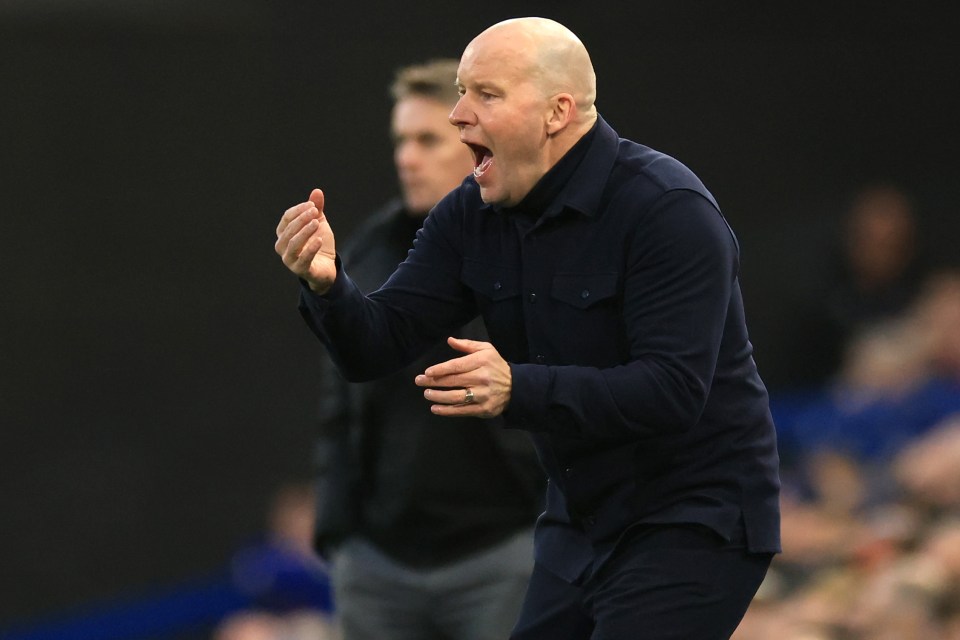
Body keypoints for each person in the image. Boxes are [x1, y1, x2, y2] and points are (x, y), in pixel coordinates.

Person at [276, 17, 781, 640]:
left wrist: (519, 386)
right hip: (579, 521)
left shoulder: (667, 210)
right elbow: (377, 345)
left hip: (694, 518)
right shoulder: (471, 211)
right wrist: (328, 286)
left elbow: (673, 392)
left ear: (556, 112)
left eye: (485, 94)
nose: (460, 114)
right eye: (462, 91)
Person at [309, 59, 544, 640]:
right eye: (400, 141)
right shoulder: (361, 250)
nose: (405, 157)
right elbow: (340, 402)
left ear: (476, 144)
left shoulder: (537, 248)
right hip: (379, 563)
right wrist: (338, 533)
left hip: (503, 553)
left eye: (427, 140)